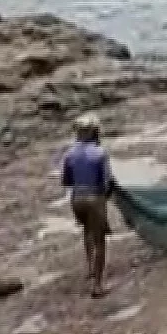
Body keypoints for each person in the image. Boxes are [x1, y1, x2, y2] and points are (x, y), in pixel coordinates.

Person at [61, 113, 114, 297]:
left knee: (86, 230)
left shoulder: (69, 153)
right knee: (100, 241)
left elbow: (66, 181)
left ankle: (90, 267)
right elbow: (106, 182)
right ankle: (97, 286)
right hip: (94, 199)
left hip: (76, 199)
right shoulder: (100, 153)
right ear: (94, 132)